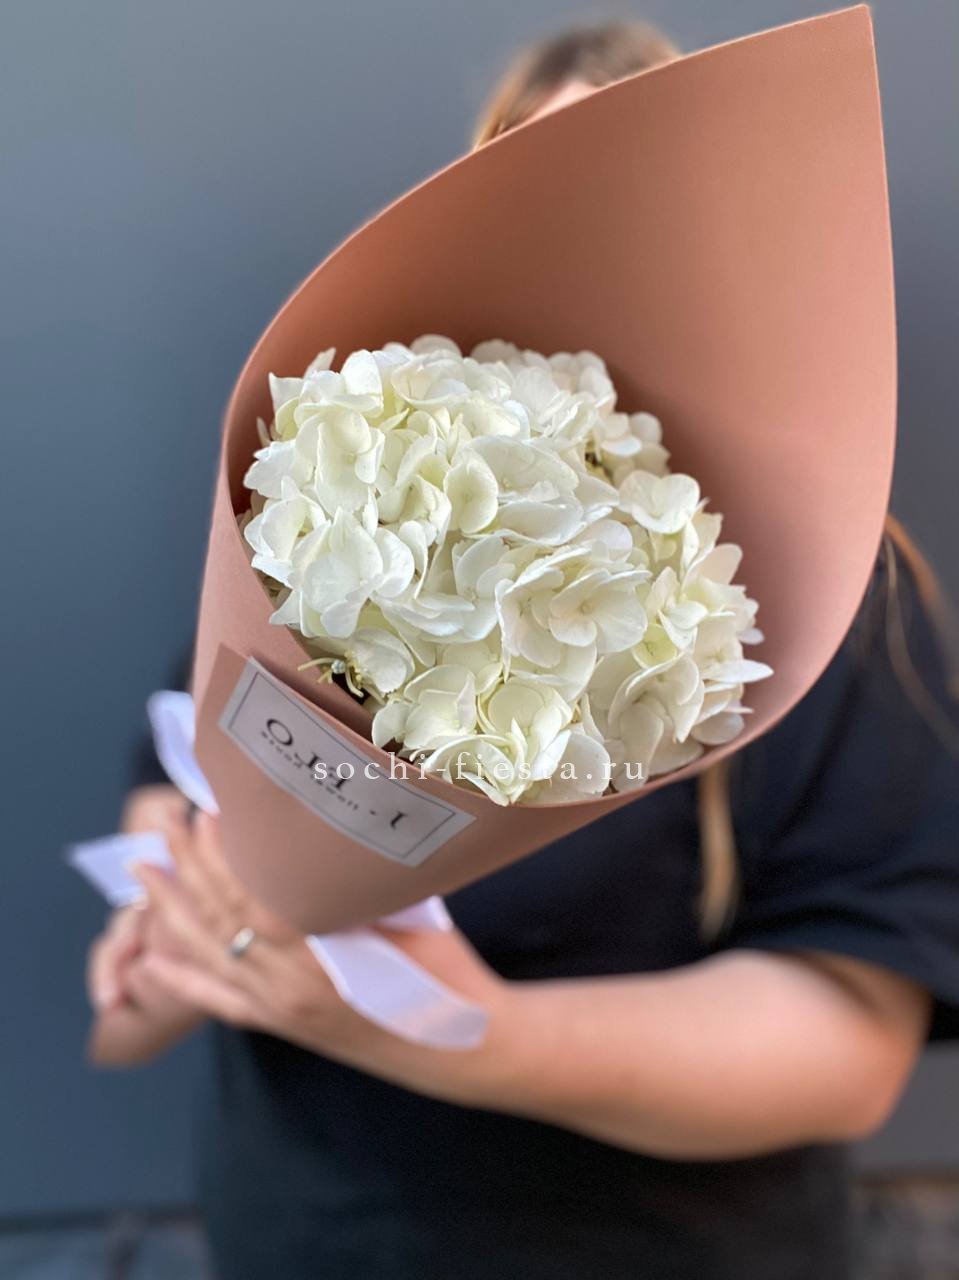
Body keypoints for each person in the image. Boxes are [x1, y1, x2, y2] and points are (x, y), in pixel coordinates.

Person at [86, 22, 959, 1280]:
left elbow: (847, 1049)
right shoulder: (337, 509)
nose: (576, 242)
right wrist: (195, 947)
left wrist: (456, 1031)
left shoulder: (824, 595)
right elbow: (150, 927)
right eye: (528, 185)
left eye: (628, 206)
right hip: (303, 1237)